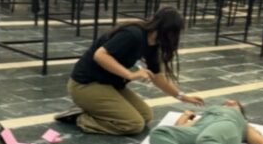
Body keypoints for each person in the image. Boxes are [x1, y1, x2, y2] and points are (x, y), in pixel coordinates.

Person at [55, 7, 204, 135]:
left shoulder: (152, 43)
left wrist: (182, 96)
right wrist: (130, 75)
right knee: (132, 124)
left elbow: (157, 76)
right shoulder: (133, 34)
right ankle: (80, 118)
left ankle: (96, 109)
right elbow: (100, 55)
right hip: (86, 84)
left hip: (109, 84)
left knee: (145, 115)